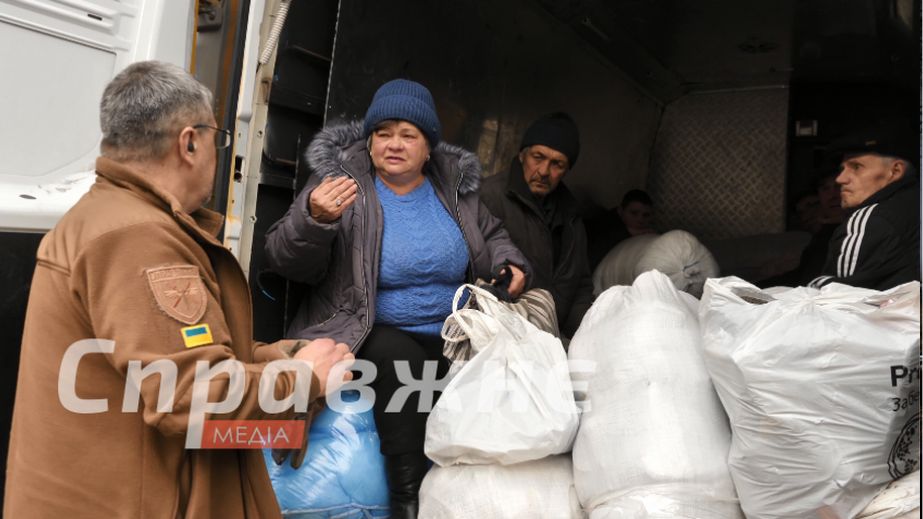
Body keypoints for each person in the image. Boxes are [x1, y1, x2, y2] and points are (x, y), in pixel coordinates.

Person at [4, 61, 354, 518]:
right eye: (217, 139)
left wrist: (276, 359)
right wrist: (304, 379)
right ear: (189, 142)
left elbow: (160, 358)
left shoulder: (111, 219)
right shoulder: (138, 239)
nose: (217, 153)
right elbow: (187, 394)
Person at [263, 79, 530, 518]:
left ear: (429, 148)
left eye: (408, 135)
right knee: (401, 359)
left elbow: (493, 235)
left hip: (450, 331)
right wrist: (314, 220)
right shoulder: (340, 184)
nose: (394, 144)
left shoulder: (453, 188)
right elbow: (282, 258)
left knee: (494, 373)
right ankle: (408, 499)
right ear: (369, 140)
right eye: (383, 133)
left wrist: (510, 264)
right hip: (363, 327)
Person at [480, 112, 593, 338]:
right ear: (522, 155)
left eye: (557, 164)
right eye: (538, 157)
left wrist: (586, 335)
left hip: (553, 336)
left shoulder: (570, 214)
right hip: (505, 333)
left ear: (567, 170)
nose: (543, 171)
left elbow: (580, 284)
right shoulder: (489, 197)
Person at [808, 126, 920, 290]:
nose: (840, 179)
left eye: (856, 167)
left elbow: (838, 295)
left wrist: (813, 285)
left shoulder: (871, 218)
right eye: (842, 169)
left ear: (895, 171)